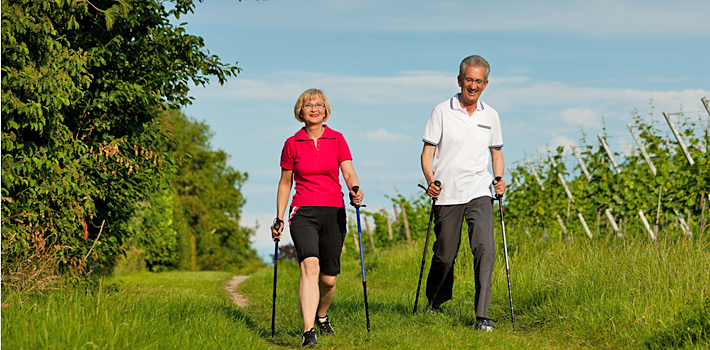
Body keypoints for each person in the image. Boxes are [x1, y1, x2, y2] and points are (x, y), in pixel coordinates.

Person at [271, 88, 364, 347]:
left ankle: (321, 316)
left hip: (333, 211)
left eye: (319, 105)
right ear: (300, 112)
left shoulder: (337, 139)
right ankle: (308, 331)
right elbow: (284, 184)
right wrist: (279, 217)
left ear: (326, 111)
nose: (314, 109)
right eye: (308, 105)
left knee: (329, 278)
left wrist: (355, 189)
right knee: (310, 266)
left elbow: (348, 172)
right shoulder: (292, 143)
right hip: (303, 211)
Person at [420, 55, 506, 331]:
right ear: (460, 80)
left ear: (486, 83)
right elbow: (427, 153)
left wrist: (499, 179)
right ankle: (435, 299)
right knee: (445, 254)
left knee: (485, 249)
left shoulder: (491, 115)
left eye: (479, 81)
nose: (473, 85)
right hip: (447, 193)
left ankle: (482, 316)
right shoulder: (441, 111)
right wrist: (431, 180)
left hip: (479, 191)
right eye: (469, 80)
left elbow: (497, 153)